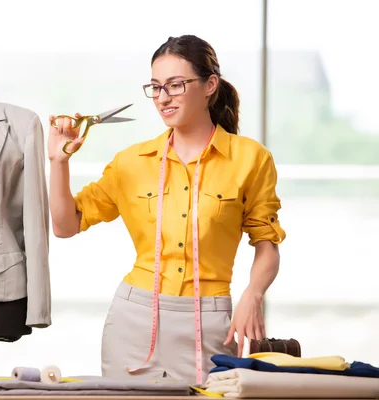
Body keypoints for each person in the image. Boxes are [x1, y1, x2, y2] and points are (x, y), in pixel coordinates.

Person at [47, 35, 286, 383]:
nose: (163, 98)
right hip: (134, 320)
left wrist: (253, 293)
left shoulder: (250, 159)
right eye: (156, 87)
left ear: (210, 85)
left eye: (175, 85)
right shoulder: (132, 161)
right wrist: (58, 162)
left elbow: (267, 244)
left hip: (211, 321)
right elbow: (66, 225)